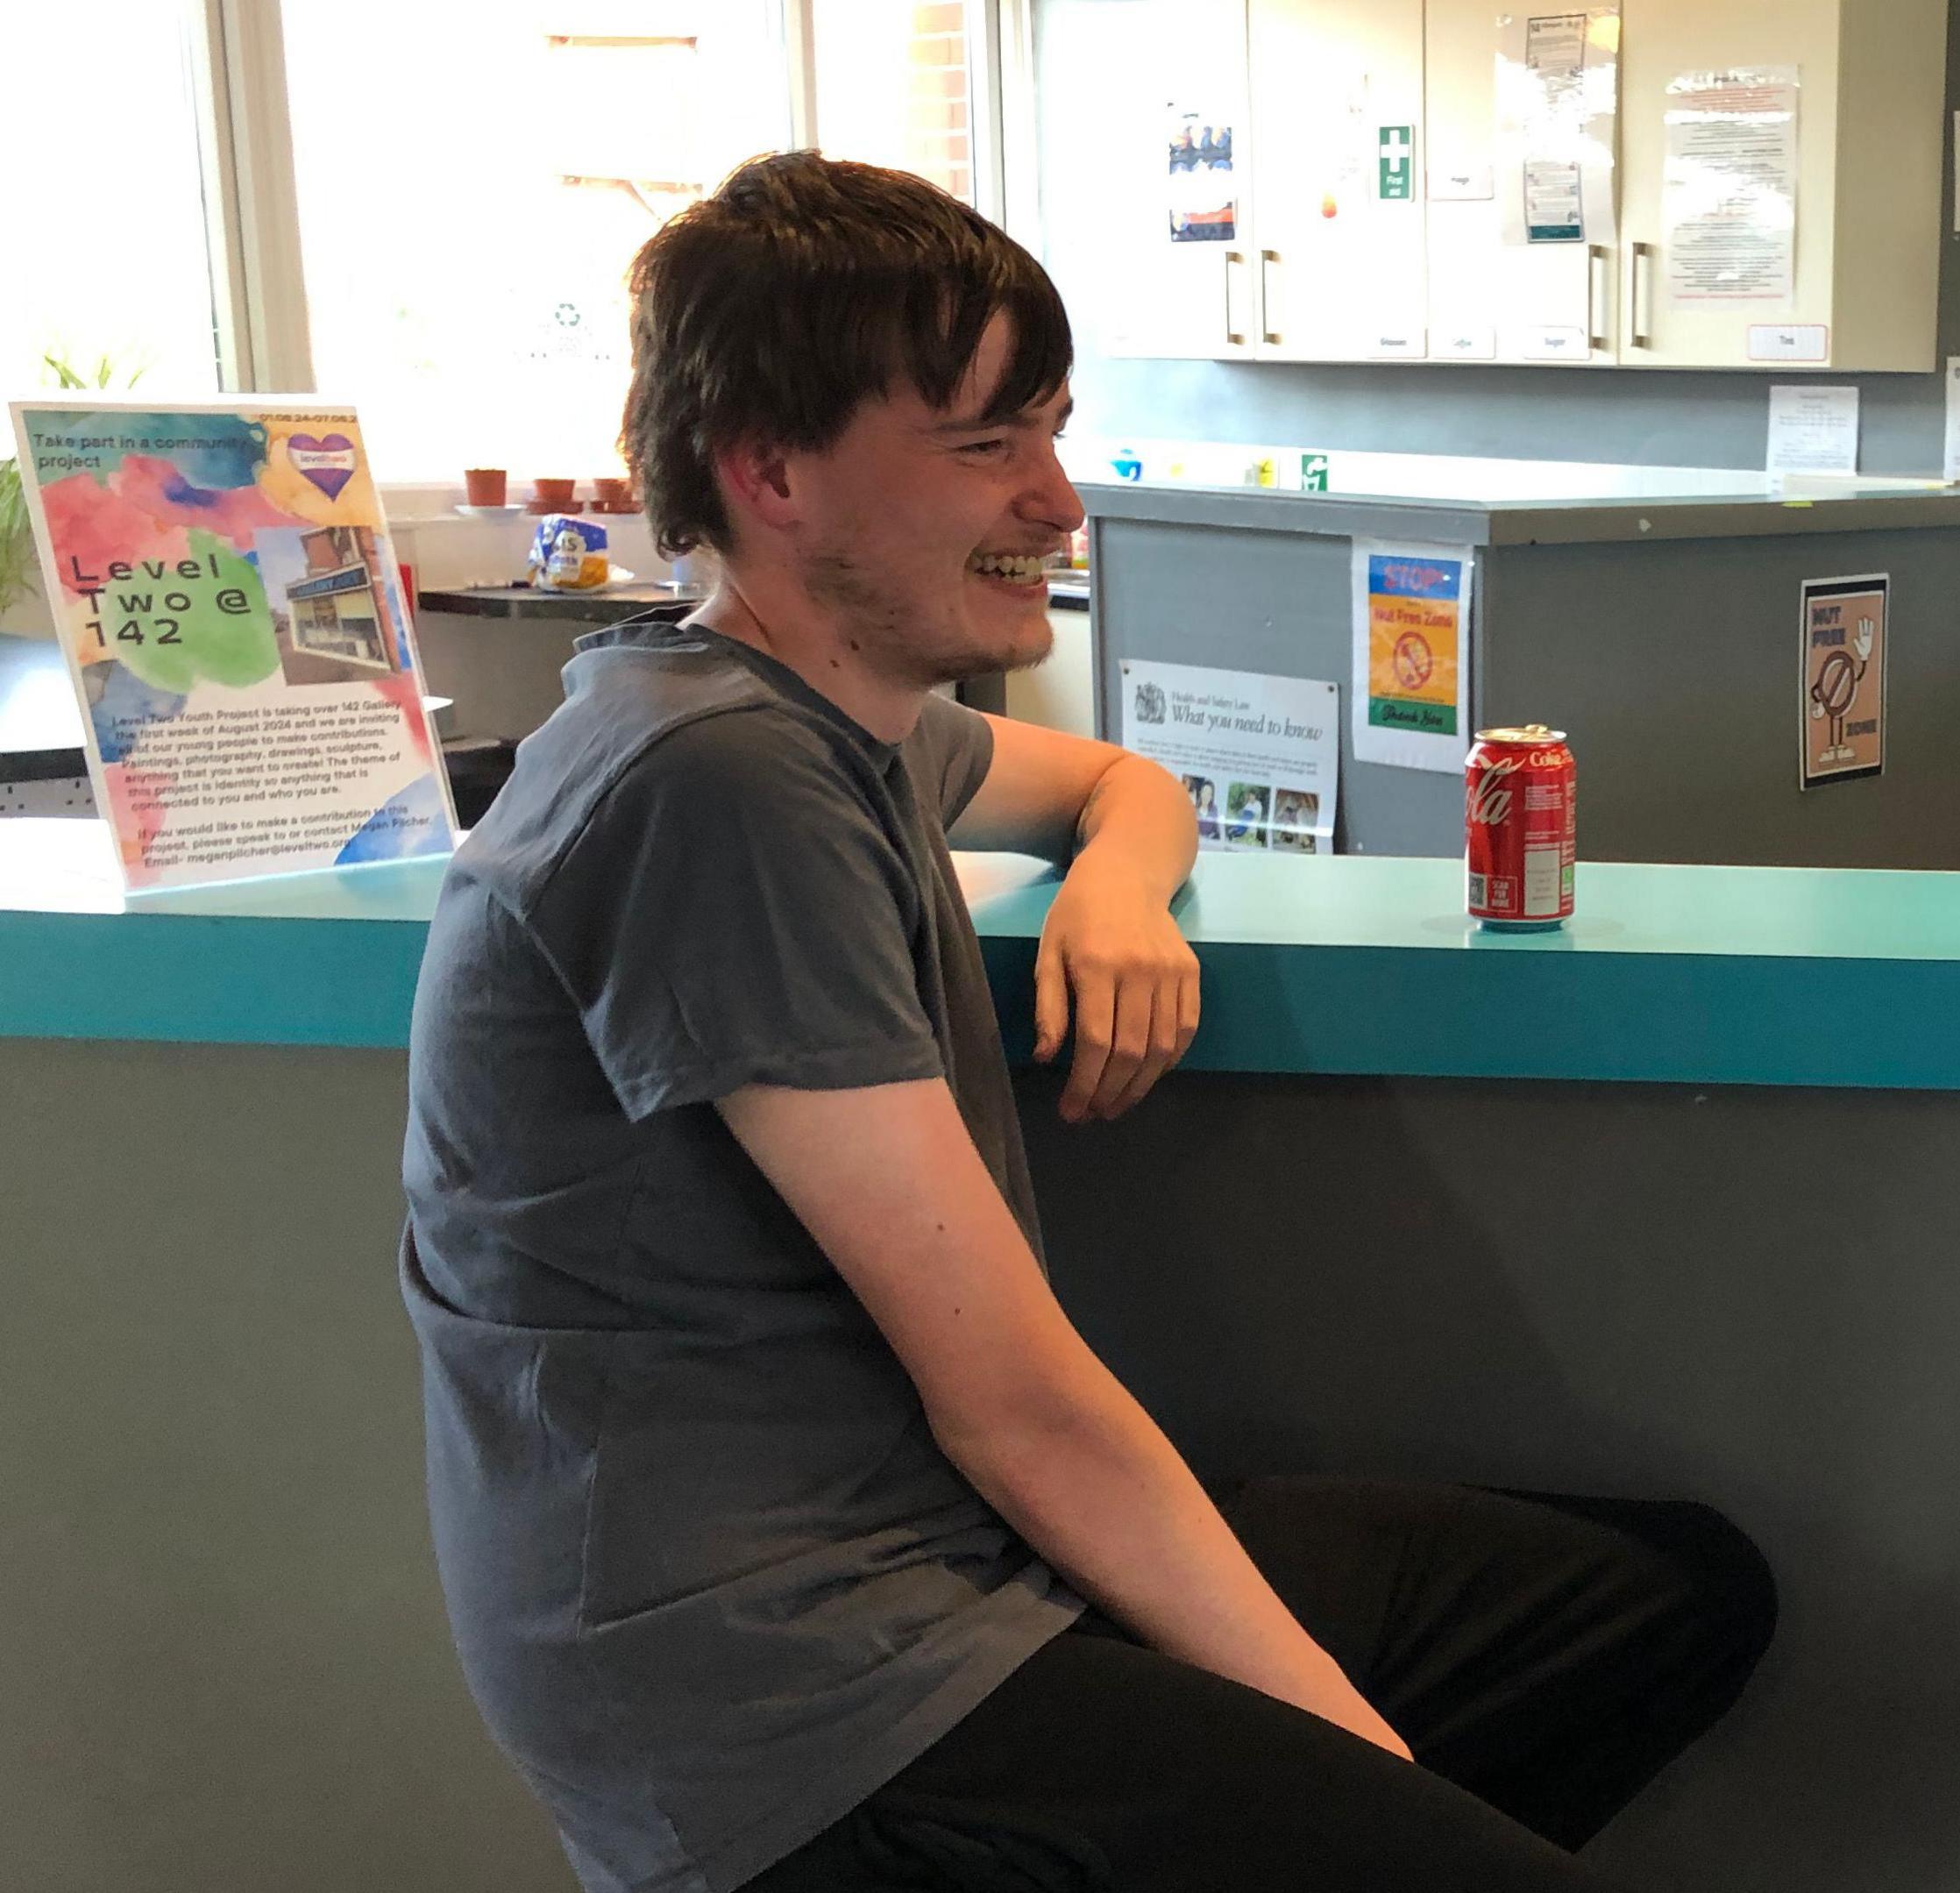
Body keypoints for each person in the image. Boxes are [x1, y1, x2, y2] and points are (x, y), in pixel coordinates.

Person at [401, 153, 1772, 1893]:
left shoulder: (846, 723)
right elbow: (1018, 1404)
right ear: (770, 472)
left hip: (939, 1570)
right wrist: (1361, 1770)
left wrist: (1119, 888)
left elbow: (1119, 778)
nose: (1060, 502)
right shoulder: (714, 779)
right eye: (986, 447)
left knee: (1666, 1599)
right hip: (788, 1693)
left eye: (1052, 432)